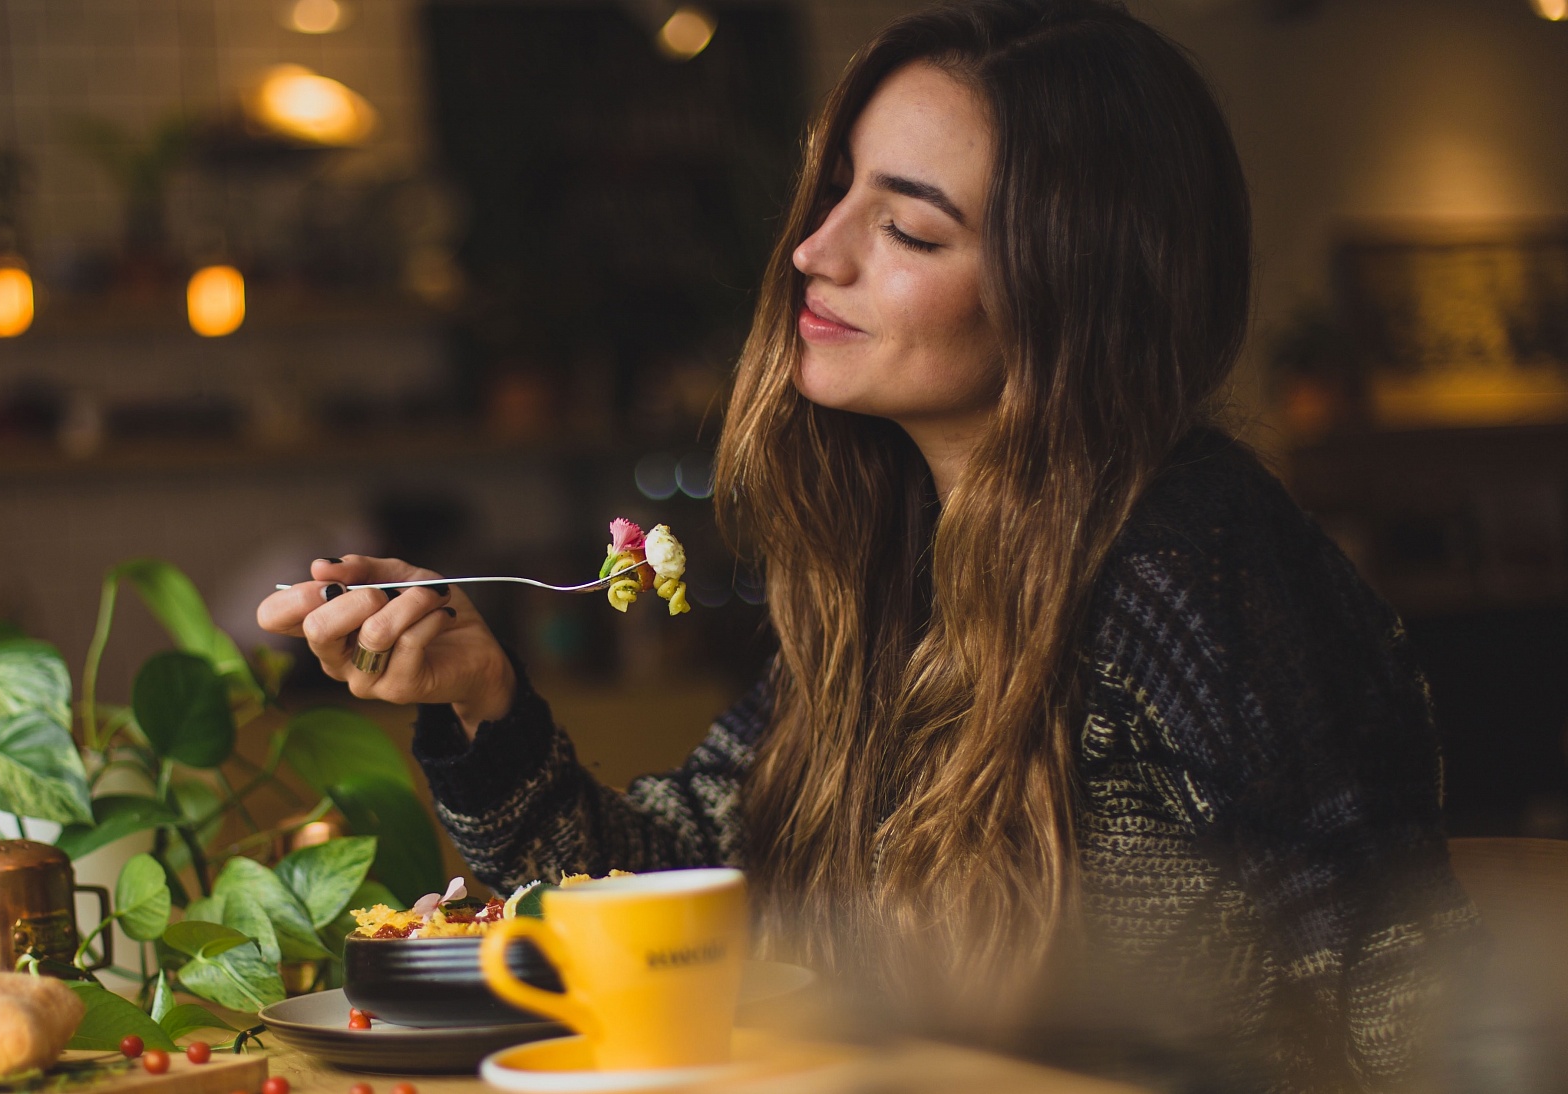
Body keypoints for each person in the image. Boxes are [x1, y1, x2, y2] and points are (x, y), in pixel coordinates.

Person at [258, 0, 1475, 1088]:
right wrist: (483, 699)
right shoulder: (903, 569)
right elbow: (678, 886)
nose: (811, 250)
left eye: (908, 229)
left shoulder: (1190, 572)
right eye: (837, 188)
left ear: (1071, 294)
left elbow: (1395, 1002)